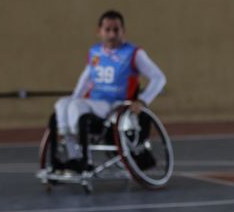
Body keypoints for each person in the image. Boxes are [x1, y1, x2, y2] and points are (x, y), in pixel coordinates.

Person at [53, 10, 166, 171]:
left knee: (75, 108)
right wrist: (74, 97)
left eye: (116, 30)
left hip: (115, 104)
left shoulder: (133, 53)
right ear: (99, 32)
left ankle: (85, 159)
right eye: (107, 30)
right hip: (94, 101)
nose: (112, 34)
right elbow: (85, 80)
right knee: (62, 104)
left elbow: (159, 78)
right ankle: (73, 156)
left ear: (123, 31)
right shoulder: (95, 52)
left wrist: (143, 100)